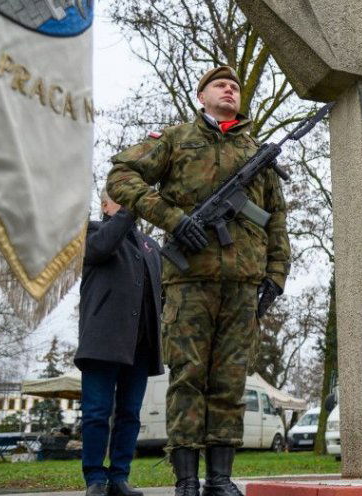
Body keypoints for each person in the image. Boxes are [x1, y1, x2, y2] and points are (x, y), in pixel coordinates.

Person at [107, 66, 290, 496]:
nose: (229, 89)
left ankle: (220, 480)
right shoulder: (175, 140)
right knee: (188, 376)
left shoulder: (255, 153)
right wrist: (172, 218)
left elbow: (276, 219)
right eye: (220, 85)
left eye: (235, 86)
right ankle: (187, 479)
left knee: (230, 381)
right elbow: (121, 176)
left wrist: (276, 275)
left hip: (244, 284)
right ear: (201, 94)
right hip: (188, 280)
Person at [75, 191, 164, 496]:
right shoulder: (91, 231)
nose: (130, 204)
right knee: (97, 412)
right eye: (120, 199)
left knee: (129, 414)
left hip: (140, 346)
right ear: (105, 205)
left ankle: (119, 477)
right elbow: (100, 249)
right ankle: (95, 479)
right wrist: (129, 210)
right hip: (102, 341)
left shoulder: (151, 246)